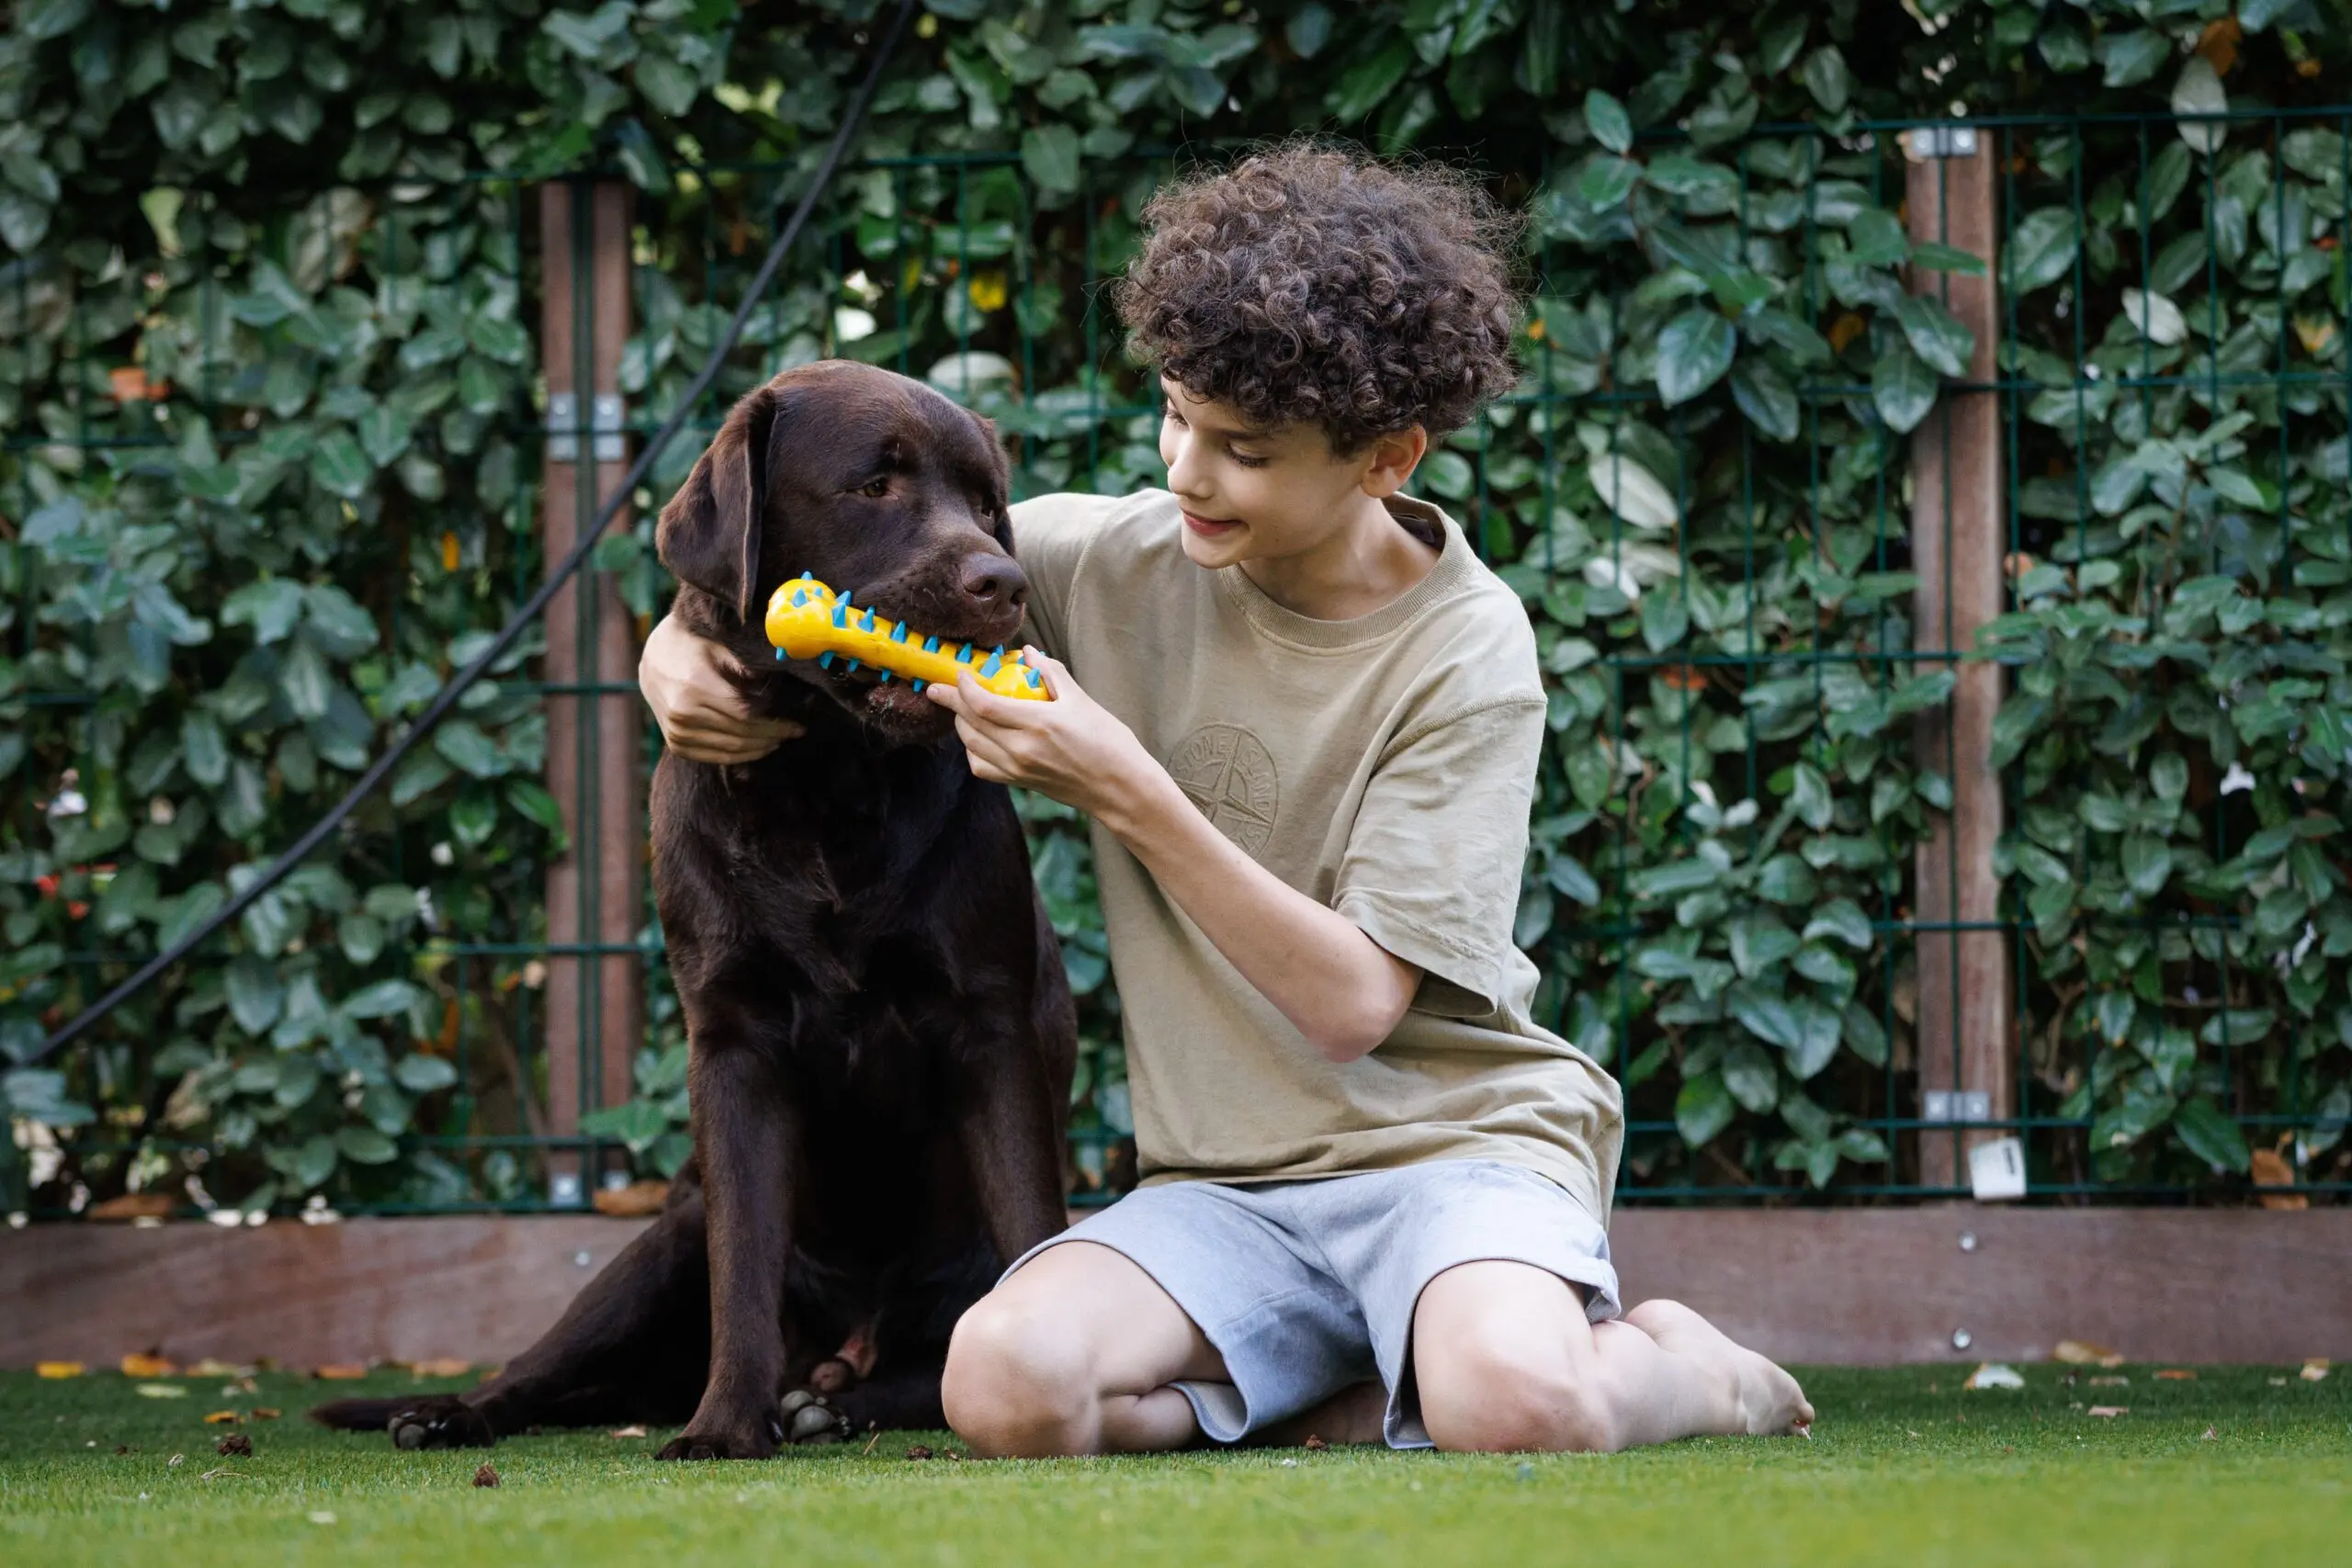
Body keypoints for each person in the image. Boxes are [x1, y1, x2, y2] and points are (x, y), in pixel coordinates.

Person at [637, 144, 1813, 1456]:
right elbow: (820, 574)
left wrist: (1128, 789)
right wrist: (672, 656)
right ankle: (1354, 1388)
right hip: (1222, 1195)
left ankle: (1694, 1370)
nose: (1187, 474)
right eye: (1175, 416)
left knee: (1518, 1405)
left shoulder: (1470, 652)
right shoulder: (1118, 559)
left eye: (1243, 449)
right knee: (1004, 1385)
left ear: (1385, 455)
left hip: (1453, 1155)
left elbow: (1355, 1004)